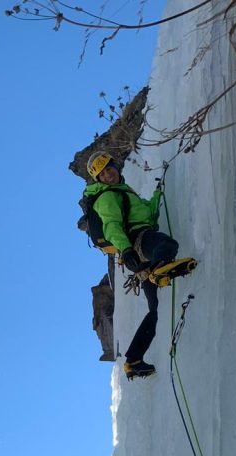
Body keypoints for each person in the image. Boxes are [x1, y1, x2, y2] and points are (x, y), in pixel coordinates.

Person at [84, 150, 179, 380]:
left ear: (116, 167)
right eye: (103, 175)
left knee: (156, 310)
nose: (108, 176)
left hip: (138, 255)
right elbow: (112, 227)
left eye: (109, 169)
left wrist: (158, 194)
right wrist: (126, 250)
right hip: (136, 243)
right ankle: (159, 270)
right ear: (99, 182)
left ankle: (134, 359)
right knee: (168, 245)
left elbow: (146, 212)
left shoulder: (124, 193)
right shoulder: (107, 198)